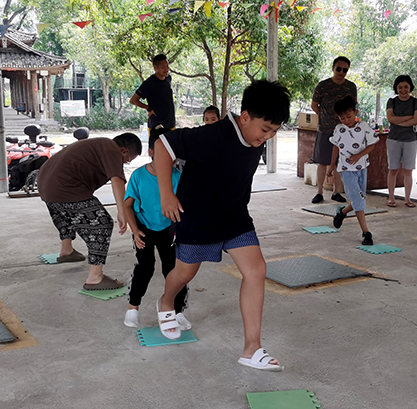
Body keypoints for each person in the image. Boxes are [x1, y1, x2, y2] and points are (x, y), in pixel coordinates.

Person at [153, 80, 289, 371]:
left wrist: (263, 134)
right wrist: (166, 193)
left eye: (275, 131)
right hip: (197, 219)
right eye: (265, 129)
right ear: (245, 117)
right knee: (184, 274)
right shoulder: (214, 135)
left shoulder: (255, 139)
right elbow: (163, 144)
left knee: (256, 270)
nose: (268, 137)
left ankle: (252, 349)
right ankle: (166, 302)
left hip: (235, 218)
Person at [36, 133, 141, 290]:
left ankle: (66, 250)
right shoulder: (112, 150)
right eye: (127, 160)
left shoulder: (98, 144)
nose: (124, 163)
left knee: (66, 214)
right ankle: (95, 277)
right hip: (66, 187)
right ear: (124, 151)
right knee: (102, 224)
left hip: (46, 186)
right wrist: (122, 211)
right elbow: (117, 181)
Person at [122, 127, 190, 330]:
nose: (170, 158)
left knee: (175, 271)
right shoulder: (138, 176)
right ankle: (133, 308)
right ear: (151, 152)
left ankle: (177, 311)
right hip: (143, 228)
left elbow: (185, 206)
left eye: (173, 154)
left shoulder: (178, 176)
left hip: (169, 230)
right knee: (145, 267)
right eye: (164, 153)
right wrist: (135, 231)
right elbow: (127, 205)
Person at [329, 96, 377, 245]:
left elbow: (372, 145)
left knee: (360, 199)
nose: (346, 120)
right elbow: (335, 146)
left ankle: (342, 213)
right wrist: (332, 165)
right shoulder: (339, 129)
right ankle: (366, 233)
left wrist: (358, 156)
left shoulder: (364, 126)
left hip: (362, 167)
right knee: (358, 200)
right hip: (346, 169)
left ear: (355, 112)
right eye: (342, 118)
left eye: (349, 116)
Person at [310, 56, 357, 204]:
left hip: (344, 131)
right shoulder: (323, 85)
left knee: (339, 162)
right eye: (339, 69)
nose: (341, 72)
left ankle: (336, 192)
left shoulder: (351, 87)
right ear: (333, 68)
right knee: (322, 162)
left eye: (345, 70)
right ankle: (319, 192)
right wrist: (324, 117)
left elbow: (353, 107)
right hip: (325, 129)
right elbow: (314, 105)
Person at [385, 75, 417, 208]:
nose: (403, 90)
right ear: (396, 88)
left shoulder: (416, 102)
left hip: (410, 140)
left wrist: (398, 121)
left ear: (410, 87)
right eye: (400, 87)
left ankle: (407, 198)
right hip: (393, 139)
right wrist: (409, 118)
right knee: (393, 169)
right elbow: (390, 118)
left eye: (406, 87)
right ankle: (391, 197)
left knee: (408, 171)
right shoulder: (391, 101)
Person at [130, 54, 176, 135]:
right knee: (156, 143)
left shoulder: (168, 78)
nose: (166, 69)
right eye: (163, 67)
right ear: (155, 67)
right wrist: (147, 108)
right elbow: (133, 100)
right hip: (156, 125)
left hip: (171, 124)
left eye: (167, 66)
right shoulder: (149, 83)